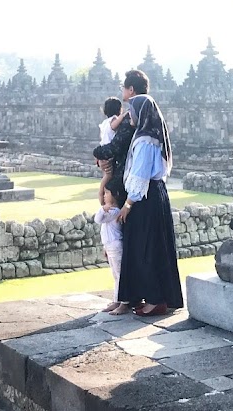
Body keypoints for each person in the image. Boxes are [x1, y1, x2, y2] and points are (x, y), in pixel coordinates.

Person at [115, 68, 183, 317]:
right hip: (156, 196)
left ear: (141, 113)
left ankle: (155, 299)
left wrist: (127, 204)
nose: (129, 114)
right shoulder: (152, 136)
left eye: (132, 110)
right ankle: (156, 296)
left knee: (146, 248)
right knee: (156, 246)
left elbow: (140, 176)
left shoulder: (145, 140)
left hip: (144, 199)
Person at [93, 177, 126, 312]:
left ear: (115, 195)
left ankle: (123, 302)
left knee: (119, 275)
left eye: (107, 193)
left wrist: (103, 209)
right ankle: (116, 300)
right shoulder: (110, 211)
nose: (104, 196)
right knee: (115, 274)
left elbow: (98, 219)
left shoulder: (115, 212)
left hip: (116, 246)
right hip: (110, 246)